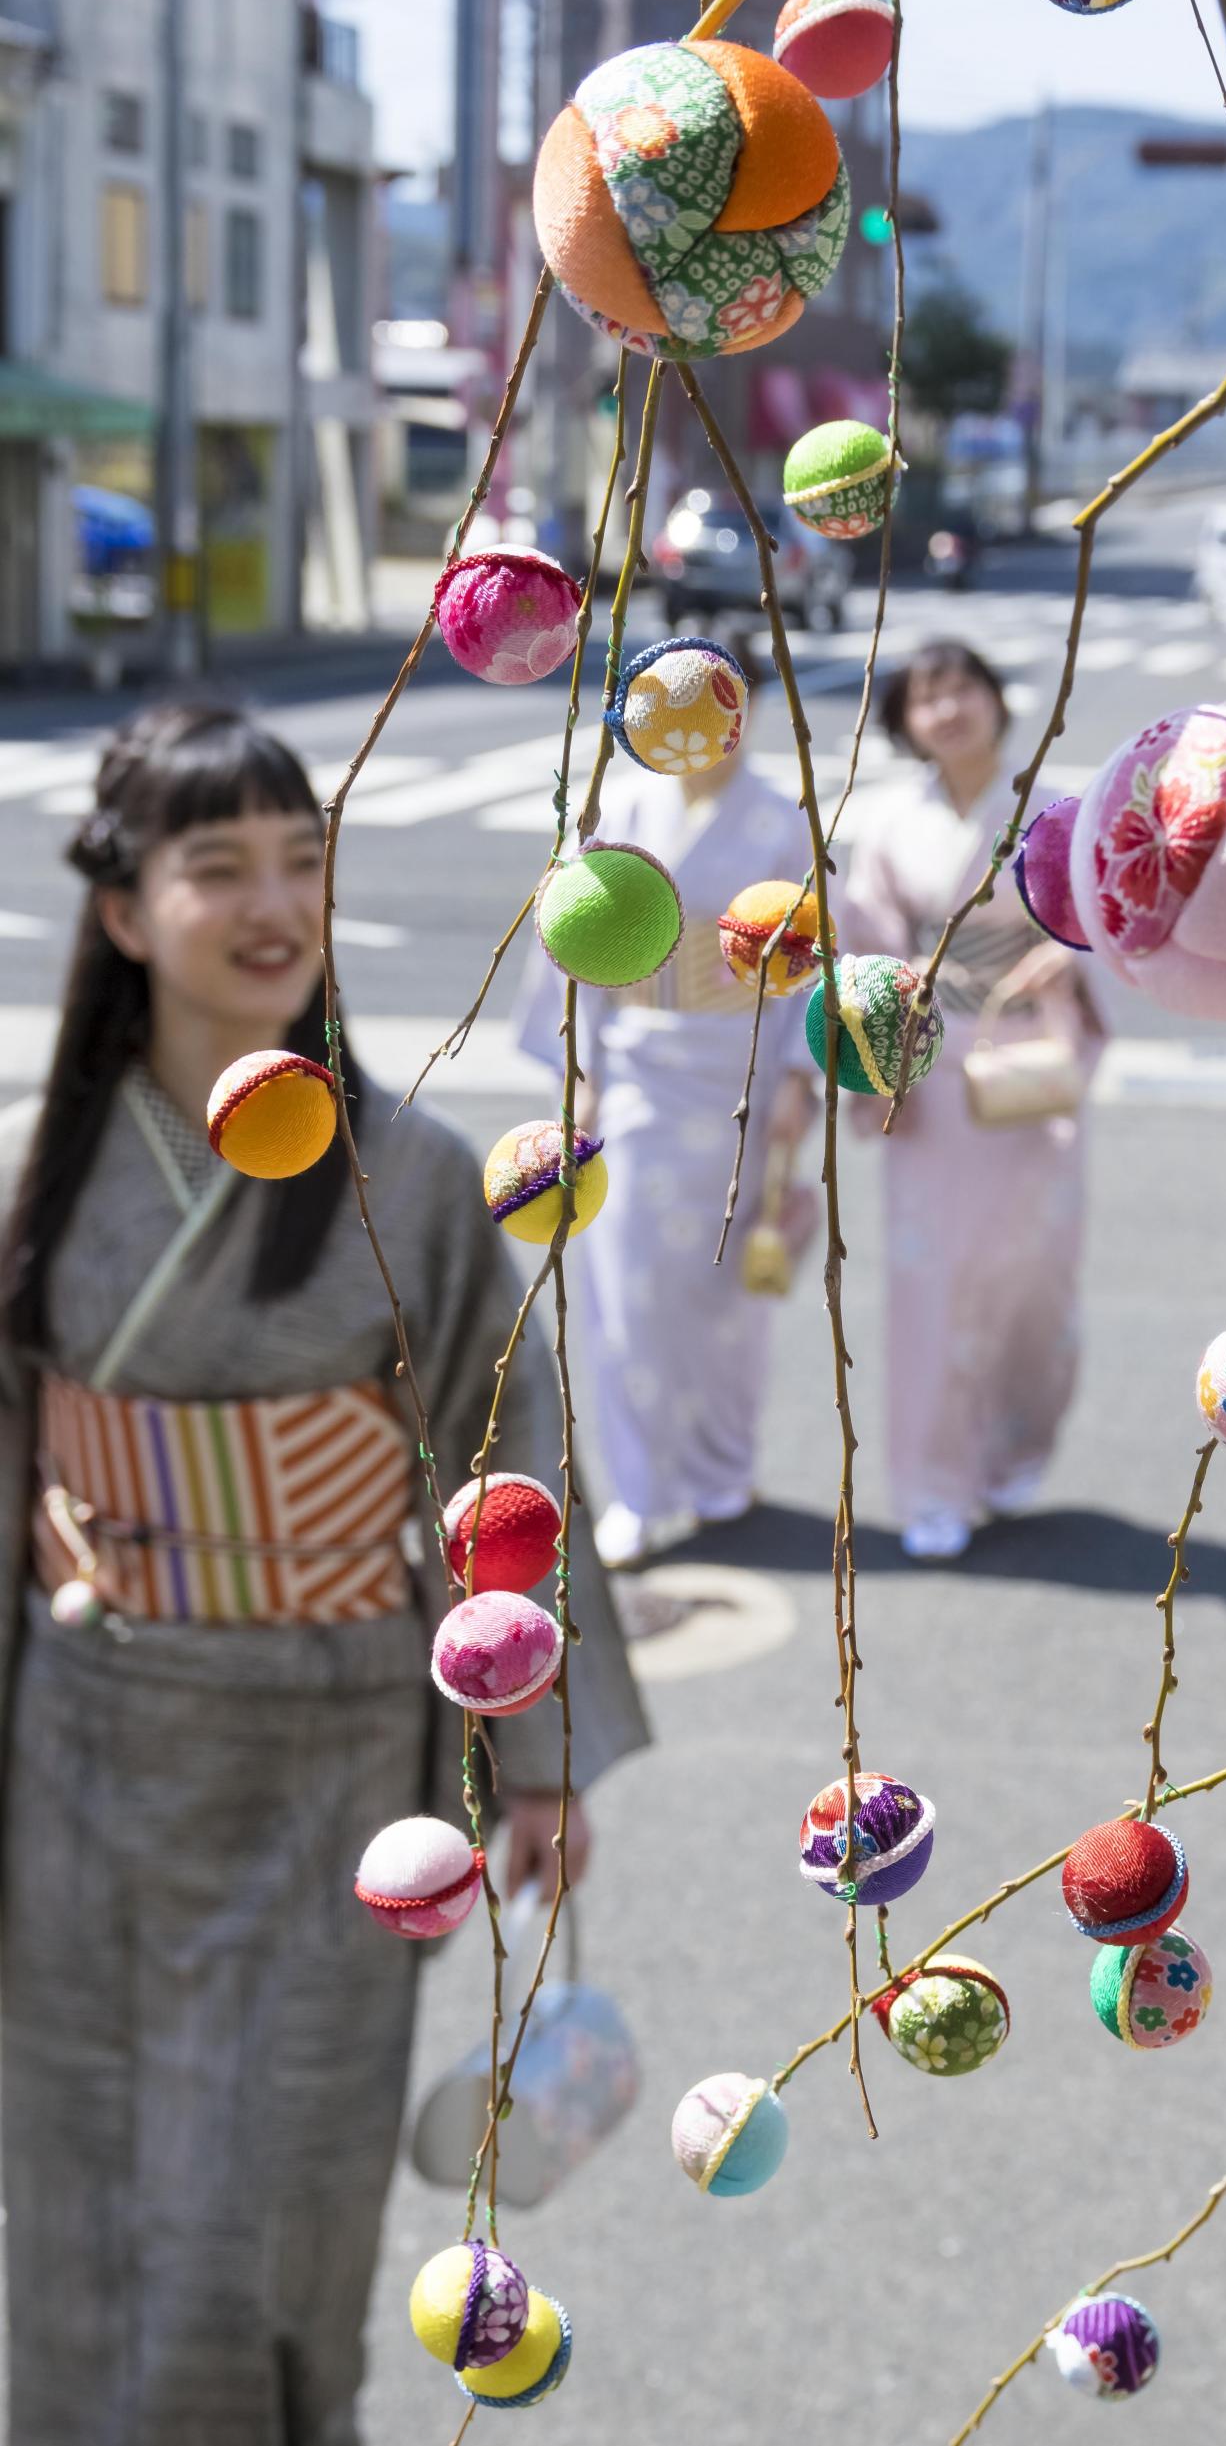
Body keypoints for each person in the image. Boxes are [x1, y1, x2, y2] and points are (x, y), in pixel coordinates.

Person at [0, 703, 648, 2446]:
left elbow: (506, 1485)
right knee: (77, 2166)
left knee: (280, 2190)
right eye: (220, 868)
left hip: (337, 1760)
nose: (275, 903)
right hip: (83, 1748)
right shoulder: (42, 1181)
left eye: (304, 860)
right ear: (128, 913)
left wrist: (539, 1751)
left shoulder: (414, 1181)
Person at [515, 654, 817, 1568]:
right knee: (627, 1292)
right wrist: (578, 1064)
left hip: (745, 1074)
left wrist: (801, 1075)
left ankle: (723, 1468)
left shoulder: (781, 823)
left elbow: (812, 956)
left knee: (730, 1298)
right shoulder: (619, 815)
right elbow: (578, 946)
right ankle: (640, 1493)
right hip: (638, 1076)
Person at [844, 641, 1103, 1562]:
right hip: (932, 1065)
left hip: (1028, 1062)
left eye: (962, 688)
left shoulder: (1052, 815)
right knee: (930, 1287)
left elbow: (1105, 917)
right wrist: (882, 1073)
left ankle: (1011, 1446)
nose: (947, 708)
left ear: (997, 698)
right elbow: (865, 960)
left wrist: (1070, 952)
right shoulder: (884, 823)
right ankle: (931, 1481)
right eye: (925, 696)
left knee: (1033, 1281)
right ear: (904, 721)